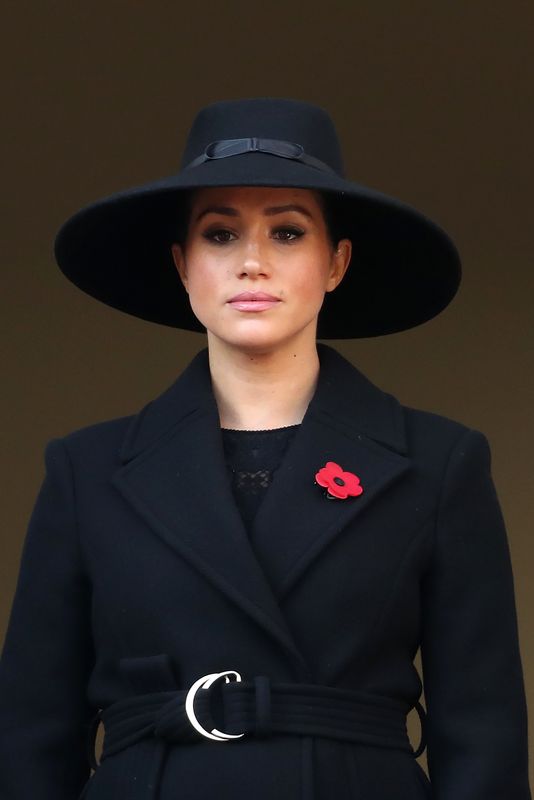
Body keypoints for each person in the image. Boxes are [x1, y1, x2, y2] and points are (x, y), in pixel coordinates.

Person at [0, 98, 530, 800]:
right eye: (220, 235)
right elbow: (31, 740)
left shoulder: (440, 465)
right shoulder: (85, 472)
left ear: (336, 262)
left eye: (286, 232)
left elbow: (483, 737)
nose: (252, 263)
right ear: (182, 264)